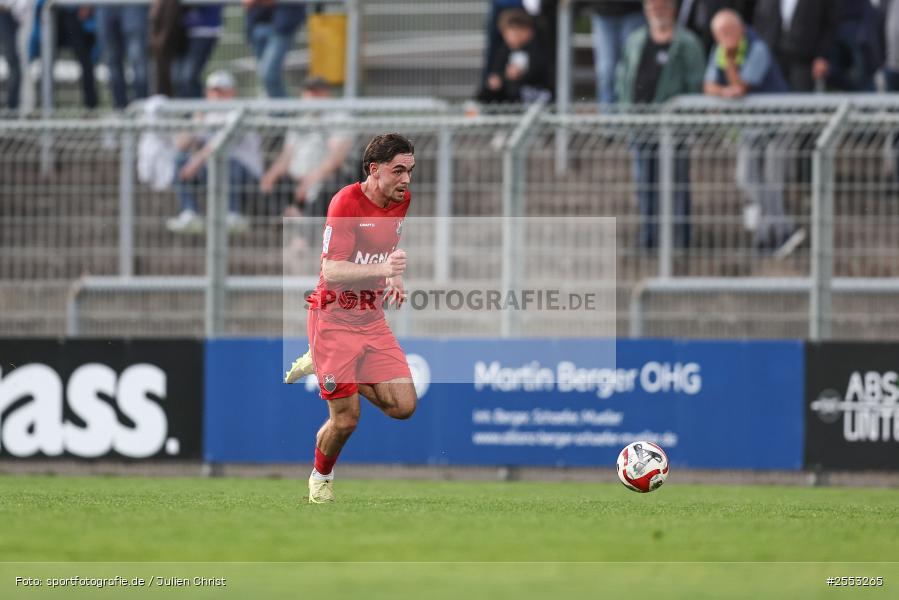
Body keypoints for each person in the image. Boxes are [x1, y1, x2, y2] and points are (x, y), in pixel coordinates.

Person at [288, 133, 417, 504]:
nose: (406, 180)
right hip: (332, 316)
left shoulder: (400, 200)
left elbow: (384, 249)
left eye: (410, 170)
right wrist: (384, 266)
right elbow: (331, 269)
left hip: (370, 316)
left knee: (404, 405)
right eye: (398, 171)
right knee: (346, 419)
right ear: (374, 170)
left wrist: (392, 274)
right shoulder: (346, 202)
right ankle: (321, 478)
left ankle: (321, 363)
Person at [704, 9, 806, 259]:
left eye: (729, 32)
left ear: (741, 29)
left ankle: (768, 238)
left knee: (772, 183)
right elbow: (708, 86)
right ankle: (783, 230)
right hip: (752, 129)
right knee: (747, 178)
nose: (724, 39)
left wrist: (728, 65)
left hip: (777, 126)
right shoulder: (719, 50)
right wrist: (723, 91)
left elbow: (740, 87)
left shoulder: (757, 47)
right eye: (720, 34)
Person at [617, 0, 706, 250]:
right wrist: (625, 112)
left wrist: (690, 124)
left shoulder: (687, 44)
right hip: (640, 125)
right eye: (652, 7)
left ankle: (679, 241)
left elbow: (695, 85)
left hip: (672, 130)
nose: (657, 12)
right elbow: (623, 77)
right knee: (645, 184)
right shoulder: (636, 40)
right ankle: (649, 237)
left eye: (662, 7)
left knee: (675, 185)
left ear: (673, 10)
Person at [167, 70, 262, 234]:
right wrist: (196, 123)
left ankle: (233, 214)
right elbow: (180, 144)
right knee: (180, 160)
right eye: (213, 91)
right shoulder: (207, 115)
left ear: (232, 92)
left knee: (227, 162)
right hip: (214, 171)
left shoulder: (239, 113)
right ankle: (190, 214)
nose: (216, 96)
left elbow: (217, 146)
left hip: (245, 177)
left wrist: (196, 162)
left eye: (221, 91)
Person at [259, 77, 353, 216]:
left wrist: (311, 179)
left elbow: (336, 158)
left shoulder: (340, 119)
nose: (311, 97)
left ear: (327, 95)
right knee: (265, 186)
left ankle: (301, 227)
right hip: (296, 179)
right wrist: (271, 175)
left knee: (332, 185)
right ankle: (294, 218)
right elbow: (286, 156)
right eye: (308, 92)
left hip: (324, 179)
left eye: (316, 93)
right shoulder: (299, 121)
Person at [751, 0, 839, 92]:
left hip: (804, 58)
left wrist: (822, 56)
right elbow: (760, 19)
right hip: (774, 55)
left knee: (801, 99)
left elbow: (831, 25)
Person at [477, 8, 552, 104]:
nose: (507, 37)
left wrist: (518, 75)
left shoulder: (538, 47)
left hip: (534, 92)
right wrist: (503, 77)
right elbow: (497, 71)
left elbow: (539, 72)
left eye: (511, 32)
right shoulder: (505, 49)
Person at [244, 0, 305, 98]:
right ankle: (276, 110)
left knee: (269, 75)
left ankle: (284, 111)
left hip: (283, 25)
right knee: (265, 79)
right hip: (257, 25)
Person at [590, 0, 644, 104]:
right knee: (606, 73)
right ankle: (608, 118)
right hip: (603, 11)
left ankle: (632, 114)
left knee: (633, 71)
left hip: (634, 10)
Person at [96, 5, 149, 109]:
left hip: (134, 5)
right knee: (111, 59)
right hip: (105, 5)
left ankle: (141, 108)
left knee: (138, 60)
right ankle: (119, 108)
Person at [173, 5, 222, 98]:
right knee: (177, 78)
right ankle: (187, 111)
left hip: (205, 30)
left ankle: (197, 111)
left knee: (188, 77)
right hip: (182, 30)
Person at [0, 0, 25, 111]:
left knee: (18, 65)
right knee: (14, 64)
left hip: (24, 14)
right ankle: (12, 108)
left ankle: (13, 108)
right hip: (5, 13)